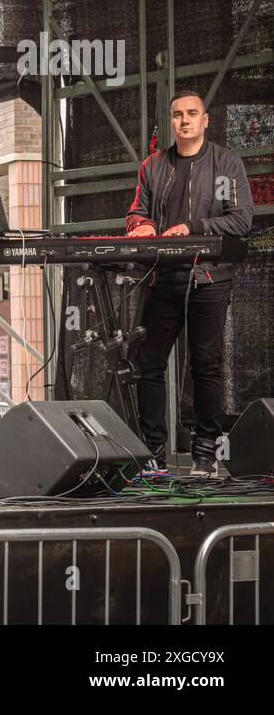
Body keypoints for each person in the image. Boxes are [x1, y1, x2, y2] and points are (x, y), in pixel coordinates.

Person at [126, 89, 253, 475]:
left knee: (206, 366)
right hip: (164, 277)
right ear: (172, 121)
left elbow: (242, 220)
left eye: (192, 113)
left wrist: (193, 228)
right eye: (178, 114)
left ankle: (204, 457)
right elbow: (136, 212)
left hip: (209, 279)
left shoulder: (226, 164)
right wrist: (144, 225)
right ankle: (152, 454)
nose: (184, 120)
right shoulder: (153, 166)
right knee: (148, 364)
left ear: (205, 120)